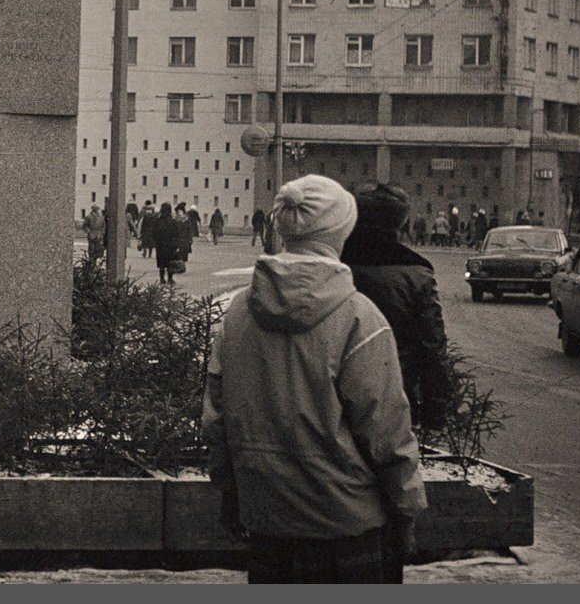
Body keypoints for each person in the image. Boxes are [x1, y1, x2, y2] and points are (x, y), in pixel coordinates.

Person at [202, 174, 425, 583]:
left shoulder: (236, 314)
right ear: (341, 230)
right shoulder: (360, 317)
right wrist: (406, 508)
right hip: (347, 524)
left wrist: (231, 495)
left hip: (268, 519)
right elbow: (387, 431)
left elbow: (218, 420)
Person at [341, 184, 451, 432]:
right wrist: (436, 410)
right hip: (394, 396)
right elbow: (432, 347)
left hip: (329, 398)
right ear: (401, 222)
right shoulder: (416, 272)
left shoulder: (332, 262)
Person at [152, 202, 183, 284]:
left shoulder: (158, 221)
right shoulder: (173, 222)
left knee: (161, 263)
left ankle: (162, 279)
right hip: (171, 246)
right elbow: (177, 234)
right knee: (170, 262)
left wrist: (156, 242)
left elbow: (154, 233)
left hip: (160, 246)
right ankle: (170, 278)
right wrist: (177, 245)